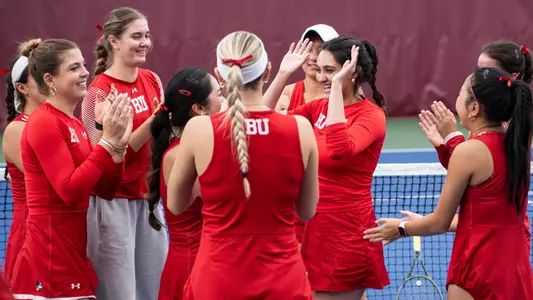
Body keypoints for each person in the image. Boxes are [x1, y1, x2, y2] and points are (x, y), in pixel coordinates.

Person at [166, 31, 319, 299]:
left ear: (220, 74)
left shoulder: (199, 129)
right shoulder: (300, 128)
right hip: (283, 281)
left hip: (216, 281)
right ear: (268, 70)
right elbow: (306, 212)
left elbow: (176, 205)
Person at [364, 67, 533, 299]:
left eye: (460, 92)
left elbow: (439, 223)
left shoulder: (469, 152)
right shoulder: (518, 147)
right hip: (516, 271)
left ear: (473, 108)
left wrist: (400, 228)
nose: (456, 98)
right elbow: (486, 214)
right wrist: (450, 141)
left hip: (475, 269)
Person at [263, 35, 389, 299]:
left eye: (329, 70)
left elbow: (339, 148)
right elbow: (263, 119)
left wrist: (336, 89)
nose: (321, 77)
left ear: (350, 73)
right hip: (308, 229)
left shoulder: (372, 116)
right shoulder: (317, 107)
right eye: (319, 69)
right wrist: (283, 74)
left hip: (345, 236)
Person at [9, 38, 132, 300]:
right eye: (74, 68)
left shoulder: (74, 124)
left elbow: (106, 189)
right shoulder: (44, 122)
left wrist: (118, 145)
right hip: (50, 259)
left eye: (84, 65)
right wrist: (106, 142)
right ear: (50, 80)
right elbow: (70, 191)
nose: (86, 72)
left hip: (73, 254)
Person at [409, 41, 533, 250]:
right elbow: (474, 173)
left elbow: (482, 168)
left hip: (503, 235)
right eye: (478, 69)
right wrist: (444, 145)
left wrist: (453, 137)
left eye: (487, 70)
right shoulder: (483, 119)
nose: (480, 76)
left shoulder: (508, 124)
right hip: (486, 231)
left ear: (511, 77)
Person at [81, 7, 168, 300]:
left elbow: (161, 140)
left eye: (147, 35)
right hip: (112, 203)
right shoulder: (98, 92)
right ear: (113, 41)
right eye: (136, 36)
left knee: (154, 288)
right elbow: (101, 159)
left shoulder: (153, 79)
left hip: (148, 200)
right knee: (120, 293)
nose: (145, 42)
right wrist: (154, 122)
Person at [146, 68, 224, 300]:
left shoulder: (191, 147)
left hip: (205, 262)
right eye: (220, 93)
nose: (225, 100)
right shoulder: (183, 154)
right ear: (199, 109)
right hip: (193, 266)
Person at [1, 38, 44, 285]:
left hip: (62, 231)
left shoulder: (63, 122)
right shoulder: (18, 130)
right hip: (31, 233)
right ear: (22, 88)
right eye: (39, 77)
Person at [277, 24, 339, 112]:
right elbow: (259, 119)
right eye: (308, 49)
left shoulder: (347, 93)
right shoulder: (287, 93)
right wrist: (282, 74)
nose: (313, 57)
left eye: (320, 51)